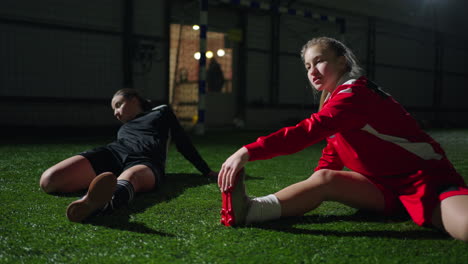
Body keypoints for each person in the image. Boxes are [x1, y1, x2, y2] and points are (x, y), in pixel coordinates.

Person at [218, 37, 468, 242]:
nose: (312, 71)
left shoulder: (354, 93)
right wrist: (315, 187)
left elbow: (308, 131)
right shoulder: (333, 99)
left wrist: (247, 151)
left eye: (319, 62)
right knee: (325, 177)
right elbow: (334, 151)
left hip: (425, 179)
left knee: (464, 227)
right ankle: (252, 210)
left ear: (342, 61)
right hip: (383, 187)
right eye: (307, 66)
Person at [40, 88, 217, 222]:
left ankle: (95, 203)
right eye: (114, 111)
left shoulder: (161, 112)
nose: (116, 113)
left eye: (118, 105)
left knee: (131, 176)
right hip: (113, 152)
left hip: (146, 160)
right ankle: (99, 193)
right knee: (49, 180)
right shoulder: (124, 128)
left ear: (133, 99)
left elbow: (183, 142)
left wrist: (206, 171)